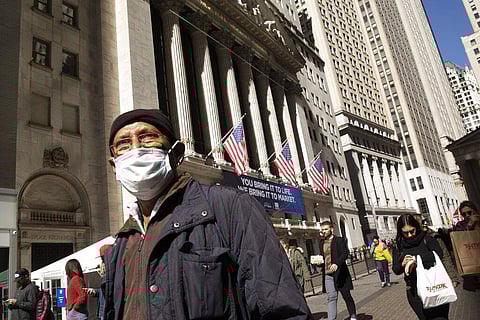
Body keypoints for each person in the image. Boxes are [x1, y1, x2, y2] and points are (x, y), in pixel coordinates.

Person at [103, 109, 312, 319]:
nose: (136, 150)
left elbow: (284, 310)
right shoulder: (120, 245)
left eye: (147, 137)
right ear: (114, 165)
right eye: (123, 144)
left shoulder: (231, 208)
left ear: (176, 153)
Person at [392, 213, 450, 320]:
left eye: (411, 231)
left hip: (435, 286)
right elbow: (396, 269)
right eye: (405, 233)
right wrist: (402, 264)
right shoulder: (398, 246)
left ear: (416, 227)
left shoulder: (427, 239)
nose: (409, 235)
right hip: (414, 291)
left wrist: (416, 260)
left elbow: (438, 254)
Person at [319, 221, 357, 320]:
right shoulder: (321, 242)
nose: (324, 231)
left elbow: (345, 253)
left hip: (340, 274)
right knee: (331, 297)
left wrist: (337, 263)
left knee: (346, 296)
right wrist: (319, 262)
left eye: (326, 229)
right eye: (322, 229)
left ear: (331, 229)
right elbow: (323, 256)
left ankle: (353, 315)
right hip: (327, 274)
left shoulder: (339, 240)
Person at [412, 214, 460, 288]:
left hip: (439, 277)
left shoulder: (435, 237)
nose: (425, 223)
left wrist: (453, 278)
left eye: (425, 221)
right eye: (422, 221)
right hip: (423, 281)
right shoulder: (411, 241)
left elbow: (445, 257)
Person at [87, 244, 111, 320]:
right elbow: (103, 291)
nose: (101, 263)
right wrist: (95, 291)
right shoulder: (107, 274)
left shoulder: (110, 273)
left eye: (102, 259)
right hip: (102, 312)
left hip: (107, 312)